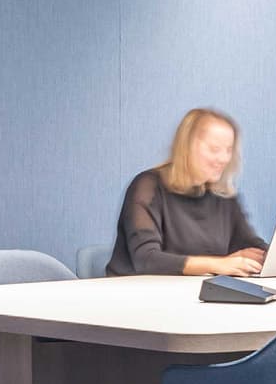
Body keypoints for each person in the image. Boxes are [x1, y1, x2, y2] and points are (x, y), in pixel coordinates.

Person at [106, 107, 267, 277]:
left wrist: (274, 256)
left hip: (192, 290)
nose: (223, 159)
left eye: (228, 150)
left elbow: (250, 244)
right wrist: (218, 264)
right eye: (214, 149)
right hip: (136, 290)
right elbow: (146, 260)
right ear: (186, 147)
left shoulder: (223, 195)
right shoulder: (147, 187)